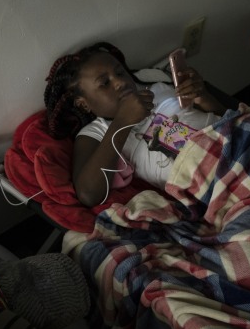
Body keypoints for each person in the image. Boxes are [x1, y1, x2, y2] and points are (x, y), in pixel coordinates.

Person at [44, 41, 228, 207]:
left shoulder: (159, 88)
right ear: (82, 103)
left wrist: (201, 95)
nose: (120, 82)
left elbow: (222, 115)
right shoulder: (96, 132)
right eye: (105, 83)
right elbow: (89, 194)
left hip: (236, 137)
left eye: (120, 72)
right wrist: (122, 121)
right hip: (211, 182)